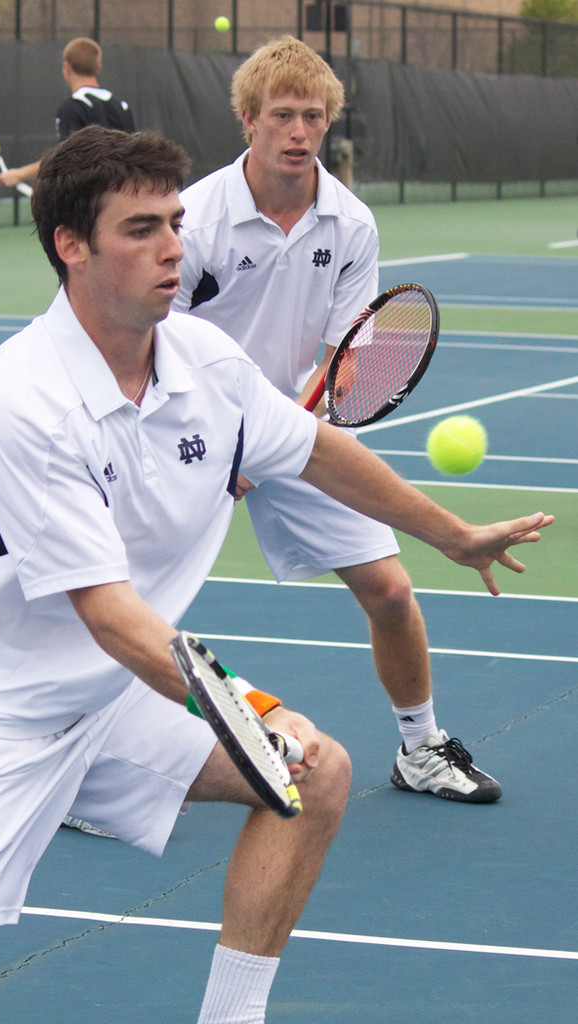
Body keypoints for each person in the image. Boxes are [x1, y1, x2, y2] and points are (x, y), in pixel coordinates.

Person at [0, 126, 551, 1024]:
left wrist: (452, 536)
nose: (172, 250)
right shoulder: (25, 398)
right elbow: (110, 613)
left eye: (177, 223)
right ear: (72, 246)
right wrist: (253, 710)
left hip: (104, 701)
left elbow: (318, 451)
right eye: (141, 229)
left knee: (314, 774)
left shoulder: (205, 362)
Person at [169, 35, 504, 803]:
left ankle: (420, 748)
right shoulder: (194, 218)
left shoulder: (349, 224)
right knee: (134, 604)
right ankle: (84, 765)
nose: (298, 131)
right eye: (282, 115)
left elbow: (349, 352)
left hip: (291, 423)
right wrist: (224, 442)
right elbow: (157, 340)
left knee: (390, 591)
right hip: (184, 428)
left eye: (313, 117)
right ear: (248, 120)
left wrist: (278, 428)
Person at [0, 36, 135, 191]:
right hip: (123, 199)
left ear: (67, 67)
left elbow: (66, 161)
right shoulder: (121, 106)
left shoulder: (72, 107)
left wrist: (19, 174)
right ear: (98, 67)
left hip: (90, 204)